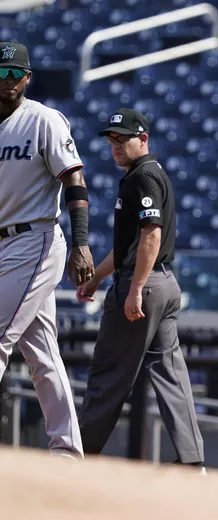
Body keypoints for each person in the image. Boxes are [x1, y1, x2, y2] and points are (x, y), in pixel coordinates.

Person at [75, 109, 205, 470]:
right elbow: (128, 243)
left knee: (109, 372)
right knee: (170, 372)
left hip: (145, 286)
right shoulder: (147, 173)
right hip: (163, 284)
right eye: (111, 140)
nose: (115, 145)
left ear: (143, 138)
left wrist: (135, 288)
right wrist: (97, 277)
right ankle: (193, 461)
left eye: (123, 138)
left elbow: (151, 235)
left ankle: (78, 455)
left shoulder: (142, 176)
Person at [0, 41, 94, 459]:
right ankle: (67, 451)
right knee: (41, 353)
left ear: (27, 77)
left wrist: (81, 243)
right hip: (5, 242)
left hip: (33, 238)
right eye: (0, 73)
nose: (6, 81)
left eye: (13, 73)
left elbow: (74, 181)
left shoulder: (42, 120)